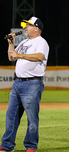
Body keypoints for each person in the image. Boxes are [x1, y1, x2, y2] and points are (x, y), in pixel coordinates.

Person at [0, 17, 49, 152]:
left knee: (32, 118)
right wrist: (11, 44)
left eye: (28, 25)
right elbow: (11, 57)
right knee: (11, 116)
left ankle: (31, 146)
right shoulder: (24, 42)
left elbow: (39, 56)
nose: (25, 27)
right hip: (17, 83)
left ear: (36, 28)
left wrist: (19, 54)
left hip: (32, 83)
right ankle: (7, 145)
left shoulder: (41, 42)